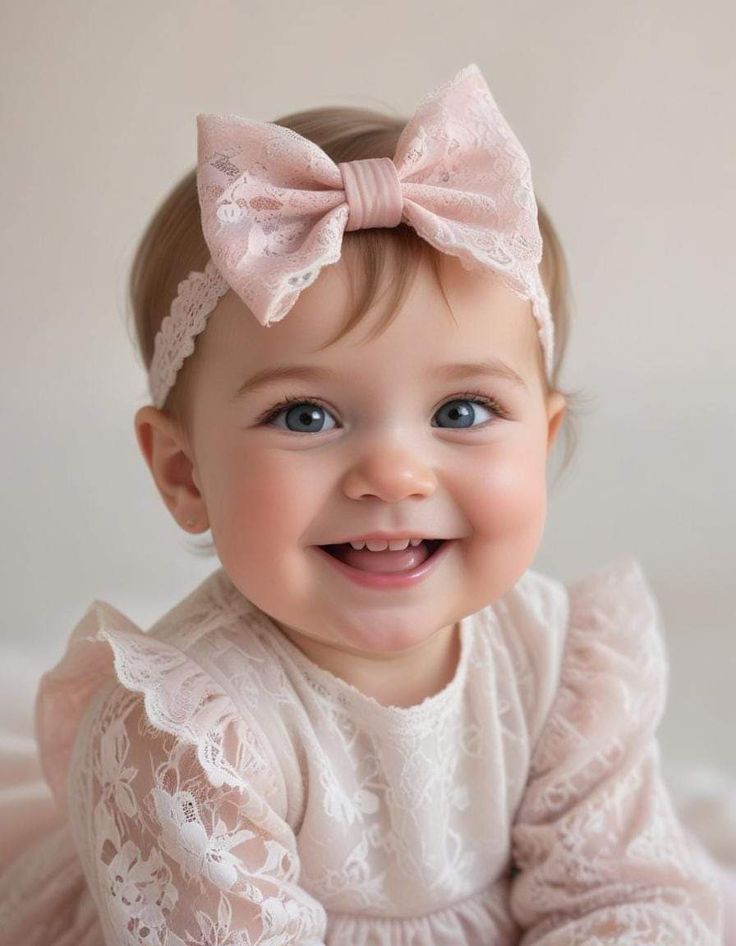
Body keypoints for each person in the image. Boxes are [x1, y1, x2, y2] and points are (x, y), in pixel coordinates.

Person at [0, 62, 732, 946]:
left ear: (540, 444)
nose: (394, 475)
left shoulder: (563, 663)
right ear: (184, 473)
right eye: (305, 415)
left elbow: (625, 892)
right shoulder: (189, 737)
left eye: (462, 412)